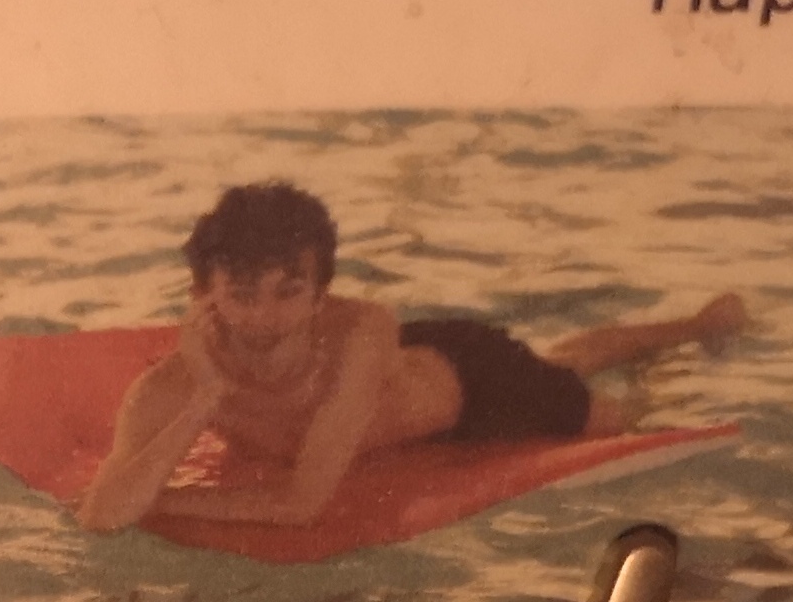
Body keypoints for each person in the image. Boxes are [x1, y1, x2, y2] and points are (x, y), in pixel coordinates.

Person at [76, 181, 750, 531]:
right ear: (204, 297)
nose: (265, 317)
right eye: (242, 295)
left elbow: (301, 503)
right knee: (566, 360)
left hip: (476, 385)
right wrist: (205, 397)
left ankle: (691, 333)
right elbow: (102, 514)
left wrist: (161, 504)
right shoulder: (169, 388)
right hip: (400, 376)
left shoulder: (361, 332)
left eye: (289, 292)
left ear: (320, 295)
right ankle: (686, 326)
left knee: (620, 415)